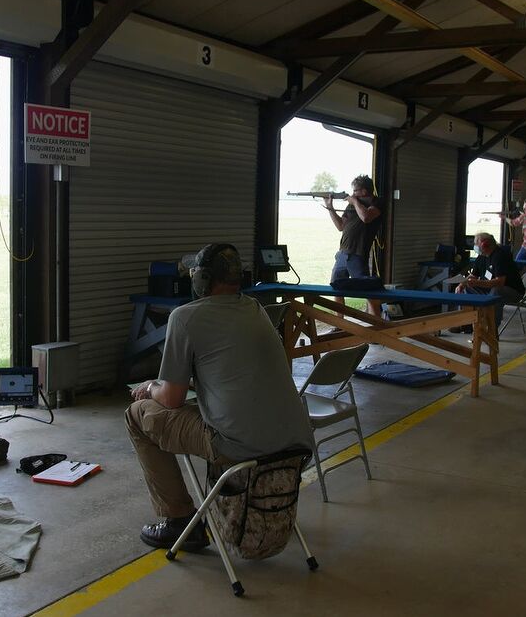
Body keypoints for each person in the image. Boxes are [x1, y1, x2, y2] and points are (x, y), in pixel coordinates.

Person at [126, 243, 314, 550]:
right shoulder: (255, 309)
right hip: (296, 443)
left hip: (239, 447)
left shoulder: (185, 317)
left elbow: (171, 398)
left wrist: (149, 388)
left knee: (137, 415)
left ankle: (179, 521)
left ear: (200, 280)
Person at [323, 174, 387, 315]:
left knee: (368, 292)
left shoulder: (377, 202)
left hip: (357, 254)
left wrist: (354, 201)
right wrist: (330, 208)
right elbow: (340, 226)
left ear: (364, 192)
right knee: (337, 289)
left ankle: (377, 326)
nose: (352, 194)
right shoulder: (352, 205)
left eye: (355, 191)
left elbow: (366, 217)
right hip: (342, 254)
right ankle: (339, 325)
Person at [454, 232, 526, 328]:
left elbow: (499, 282)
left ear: (484, 244)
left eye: (476, 243)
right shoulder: (481, 257)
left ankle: (491, 327)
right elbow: (473, 275)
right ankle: (465, 323)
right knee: (465, 289)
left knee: (496, 291)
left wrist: (478, 282)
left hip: (513, 291)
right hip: (490, 289)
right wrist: (462, 284)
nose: (475, 246)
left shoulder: (500, 256)